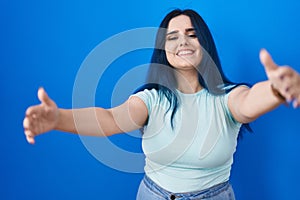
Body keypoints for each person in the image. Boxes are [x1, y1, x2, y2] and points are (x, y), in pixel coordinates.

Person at [23, 9, 300, 200]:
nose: (183, 41)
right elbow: (109, 119)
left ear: (205, 44)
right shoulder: (151, 99)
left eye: (192, 34)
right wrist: (58, 119)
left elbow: (251, 100)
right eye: (172, 37)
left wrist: (277, 88)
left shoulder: (227, 98)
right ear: (163, 50)